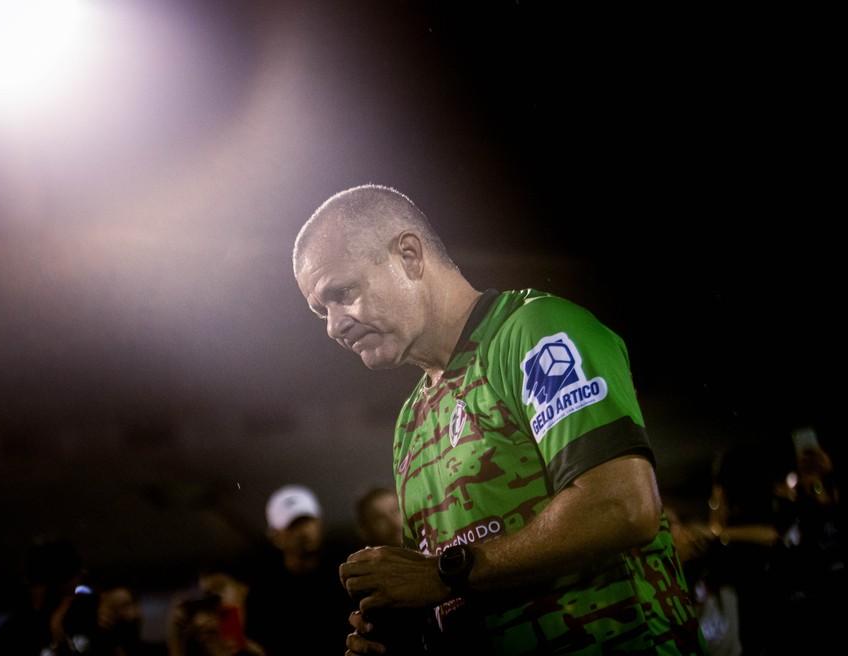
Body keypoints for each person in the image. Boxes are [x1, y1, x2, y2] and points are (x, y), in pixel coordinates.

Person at [292, 185, 706, 654]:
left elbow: (623, 506)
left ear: (409, 255)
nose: (333, 324)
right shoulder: (411, 422)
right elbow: (445, 598)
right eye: (320, 310)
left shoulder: (535, 332)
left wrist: (446, 572)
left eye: (341, 293)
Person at [242, 485, 352, 655]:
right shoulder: (264, 592)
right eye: (293, 526)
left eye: (308, 521)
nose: (305, 531)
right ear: (276, 537)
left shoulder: (346, 573)